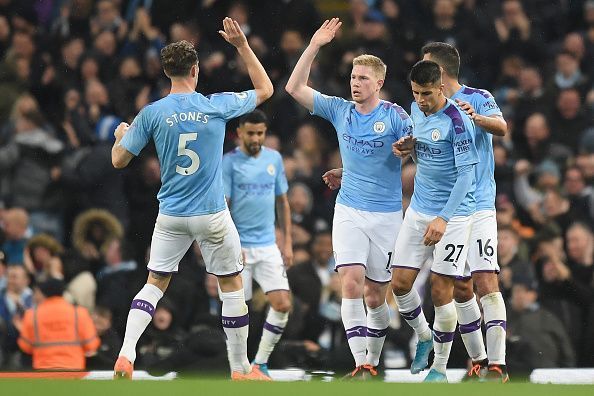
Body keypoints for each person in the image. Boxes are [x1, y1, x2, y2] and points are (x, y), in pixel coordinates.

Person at [110, 17, 273, 381]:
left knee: (155, 282)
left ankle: (125, 354)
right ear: (196, 70)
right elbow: (265, 89)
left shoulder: (152, 113)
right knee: (231, 284)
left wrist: (121, 135)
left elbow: (118, 161)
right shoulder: (216, 105)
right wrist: (242, 46)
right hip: (212, 214)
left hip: (171, 214)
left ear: (166, 72)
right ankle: (240, 369)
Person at [285, 18, 414, 378]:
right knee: (351, 283)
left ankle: (373, 358)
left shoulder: (395, 116)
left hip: (387, 215)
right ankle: (362, 363)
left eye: (362, 79)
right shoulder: (341, 110)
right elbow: (294, 88)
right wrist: (314, 45)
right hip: (349, 211)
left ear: (379, 83)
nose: (355, 83)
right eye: (353, 77)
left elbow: (421, 151)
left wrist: (409, 148)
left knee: (376, 297)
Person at [421, 42, 509, 382]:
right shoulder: (429, 107)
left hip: (481, 204)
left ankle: (498, 365)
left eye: (426, 67)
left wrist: (477, 117)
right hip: (450, 209)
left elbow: (501, 127)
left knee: (486, 279)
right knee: (460, 286)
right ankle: (479, 361)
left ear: (441, 73)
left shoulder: (478, 96)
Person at [390, 60, 478, 382]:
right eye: (416, 93)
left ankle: (439, 369)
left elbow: (467, 175)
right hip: (418, 210)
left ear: (441, 87)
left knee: (442, 291)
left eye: (427, 93)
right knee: (399, 284)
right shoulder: (415, 109)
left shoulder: (457, 121)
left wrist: (443, 218)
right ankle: (424, 336)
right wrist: (410, 149)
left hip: (453, 217)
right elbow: (425, 155)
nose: (421, 100)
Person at [222, 109, 293, 379]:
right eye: (251, 133)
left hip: (266, 246)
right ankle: (236, 369)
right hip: (238, 247)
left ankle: (260, 364)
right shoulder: (228, 163)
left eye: (260, 133)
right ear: (240, 133)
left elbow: (282, 202)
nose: (256, 138)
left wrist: (286, 242)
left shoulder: (274, 159)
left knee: (283, 303)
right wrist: (229, 243)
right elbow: (223, 206)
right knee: (239, 311)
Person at [16, 277, 100, 370]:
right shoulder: (79, 313)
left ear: (43, 292)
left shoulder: (32, 315)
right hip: (74, 368)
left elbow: (25, 346)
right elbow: (91, 345)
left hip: (43, 369)